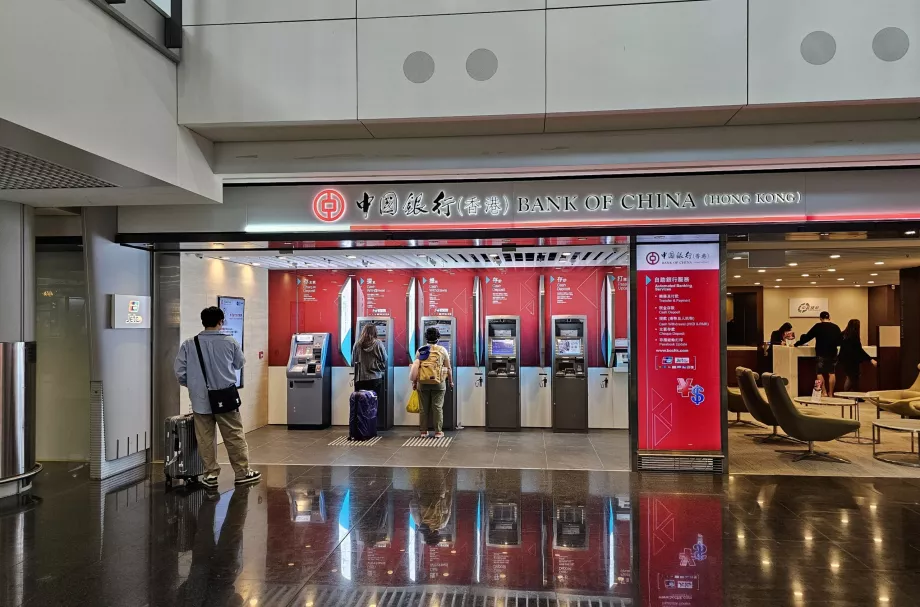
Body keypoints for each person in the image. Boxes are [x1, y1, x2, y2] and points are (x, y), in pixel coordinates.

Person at [174, 306, 261, 488]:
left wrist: (193, 385)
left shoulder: (189, 344)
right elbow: (239, 364)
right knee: (234, 435)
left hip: (200, 400)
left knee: (205, 438)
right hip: (226, 399)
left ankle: (211, 474)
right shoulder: (230, 342)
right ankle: (242, 473)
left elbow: (180, 371)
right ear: (221, 322)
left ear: (203, 322)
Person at [410, 326, 454, 439]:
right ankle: (438, 432)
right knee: (437, 407)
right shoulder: (442, 350)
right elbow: (448, 368)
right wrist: (451, 382)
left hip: (423, 383)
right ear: (438, 337)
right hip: (439, 383)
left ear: (426, 338)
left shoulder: (420, 350)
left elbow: (416, 367)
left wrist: (414, 383)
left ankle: (423, 432)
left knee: (423, 408)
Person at [795, 311, 843, 397]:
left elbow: (807, 337)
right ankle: (831, 393)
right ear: (829, 318)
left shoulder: (818, 326)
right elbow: (840, 341)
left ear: (820, 318)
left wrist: (797, 343)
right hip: (832, 353)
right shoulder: (836, 327)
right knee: (831, 373)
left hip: (821, 352)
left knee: (819, 373)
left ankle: (824, 392)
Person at [352, 322, 388, 404]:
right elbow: (385, 359)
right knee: (373, 405)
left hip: (360, 379)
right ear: (375, 332)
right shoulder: (378, 343)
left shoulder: (357, 344)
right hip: (375, 379)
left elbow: (353, 360)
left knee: (361, 405)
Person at [838, 319, 877, 392]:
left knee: (850, 377)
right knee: (853, 377)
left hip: (844, 359)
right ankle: (847, 394)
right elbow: (859, 350)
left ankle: (851, 394)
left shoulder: (843, 334)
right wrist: (870, 359)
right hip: (853, 360)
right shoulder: (854, 336)